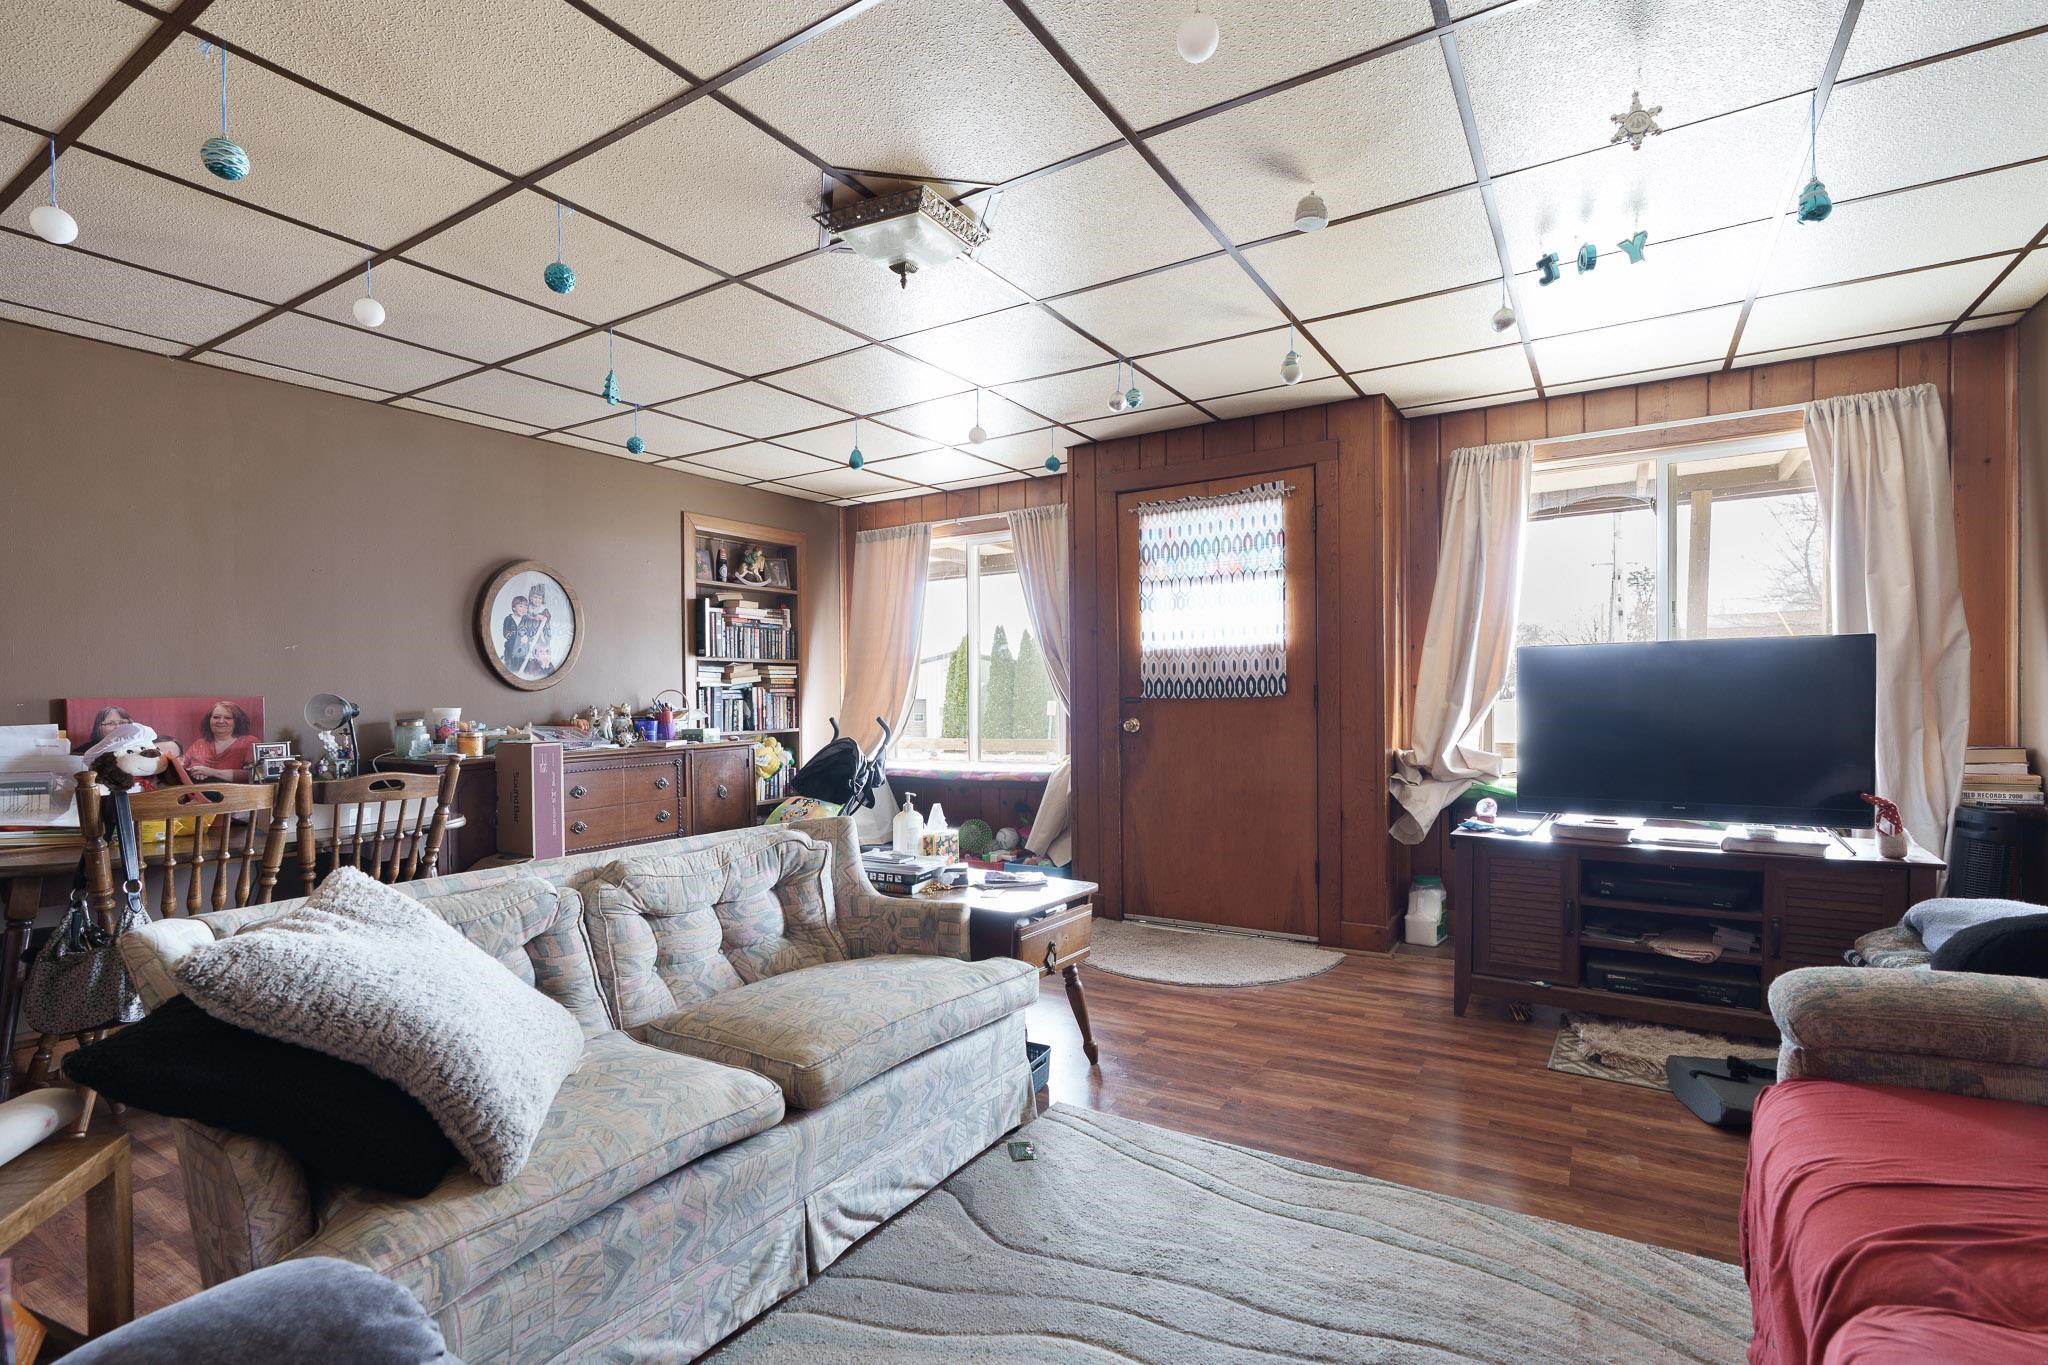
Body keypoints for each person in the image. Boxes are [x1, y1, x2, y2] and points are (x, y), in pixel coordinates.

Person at [185, 700, 258, 781]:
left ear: (237, 722)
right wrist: (196, 772)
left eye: (228, 718)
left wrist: (212, 772)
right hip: (197, 791)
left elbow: (254, 774)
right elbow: (182, 767)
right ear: (209, 720)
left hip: (235, 792)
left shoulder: (249, 742)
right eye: (216, 717)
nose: (221, 721)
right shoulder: (199, 744)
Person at [74, 704, 180, 759]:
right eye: (110, 723)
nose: (118, 727)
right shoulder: (84, 751)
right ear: (98, 727)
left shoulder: (142, 746)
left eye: (123, 722)